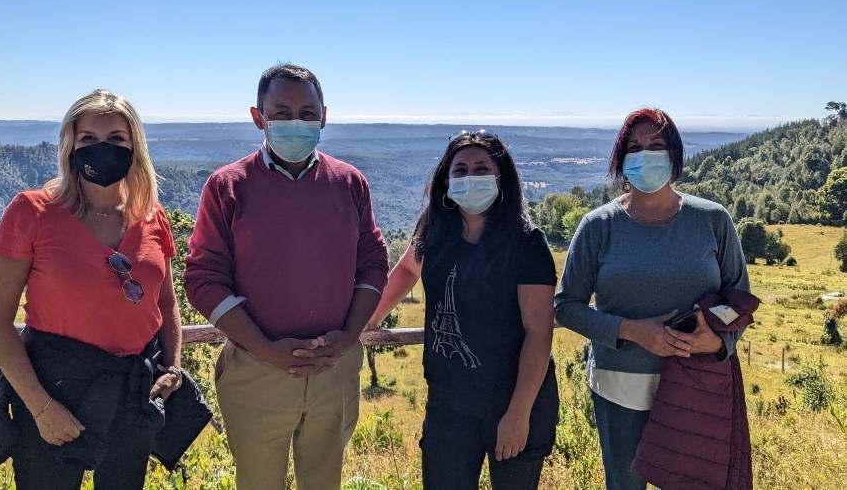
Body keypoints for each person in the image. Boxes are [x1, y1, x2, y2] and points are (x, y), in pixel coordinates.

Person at [184, 63, 389, 490]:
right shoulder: (227, 187)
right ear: (258, 117)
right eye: (281, 113)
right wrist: (266, 350)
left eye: (307, 113)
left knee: (324, 481)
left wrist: (349, 336)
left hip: (336, 367)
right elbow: (204, 278)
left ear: (324, 117)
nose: (296, 123)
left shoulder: (350, 183)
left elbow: (373, 260)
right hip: (257, 372)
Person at [0, 89, 186, 489]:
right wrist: (40, 408)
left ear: (135, 146)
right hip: (55, 386)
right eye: (89, 139)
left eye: (117, 140)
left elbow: (165, 300)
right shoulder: (31, 212)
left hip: (132, 391)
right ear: (70, 145)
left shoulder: (152, 216)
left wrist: (172, 368)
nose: (102, 149)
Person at [553, 108, 750, 490]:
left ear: (675, 155)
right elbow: (566, 307)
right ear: (621, 160)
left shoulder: (713, 220)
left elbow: (739, 299)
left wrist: (720, 341)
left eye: (656, 145)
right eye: (634, 147)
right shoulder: (598, 226)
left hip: (699, 383)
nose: (645, 155)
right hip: (619, 387)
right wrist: (631, 331)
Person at [367, 131, 559, 490]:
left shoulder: (527, 243)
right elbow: (409, 269)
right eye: (461, 170)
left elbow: (539, 332)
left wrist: (518, 413)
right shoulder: (435, 228)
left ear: (501, 177)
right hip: (448, 402)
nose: (471, 177)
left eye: (482, 168)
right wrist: (369, 320)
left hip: (514, 397)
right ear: (446, 179)